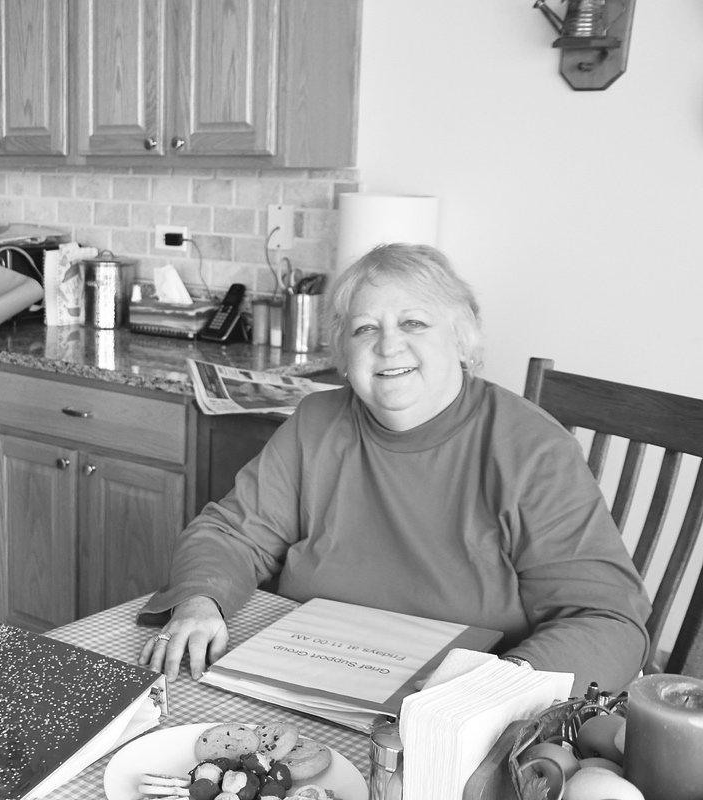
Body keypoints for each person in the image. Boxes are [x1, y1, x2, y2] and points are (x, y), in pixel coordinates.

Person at [138, 243, 650, 695]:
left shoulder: (533, 448)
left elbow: (607, 620)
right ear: (344, 352)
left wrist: (493, 689)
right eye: (366, 329)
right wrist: (202, 600)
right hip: (308, 680)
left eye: (413, 322)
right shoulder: (316, 422)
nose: (387, 345)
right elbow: (231, 534)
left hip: (461, 705)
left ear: (463, 336)